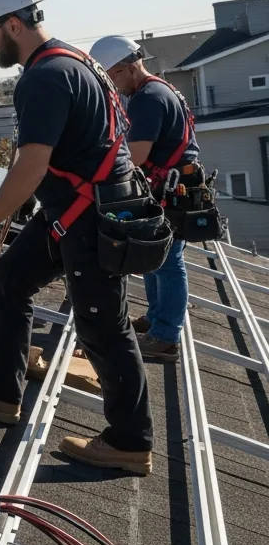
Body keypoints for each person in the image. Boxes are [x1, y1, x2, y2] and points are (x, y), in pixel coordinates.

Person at [0, 0, 154, 476]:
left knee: (103, 327)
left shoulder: (43, 78)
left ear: (13, 24)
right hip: (79, 210)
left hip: (90, 218)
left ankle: (130, 442)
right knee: (9, 280)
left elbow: (32, 164)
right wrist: (15, 212)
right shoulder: (75, 60)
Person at [90, 35, 199, 363]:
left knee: (167, 263)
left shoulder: (147, 98)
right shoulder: (157, 90)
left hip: (171, 190)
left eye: (111, 79)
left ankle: (166, 337)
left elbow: (136, 155)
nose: (113, 88)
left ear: (124, 69)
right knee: (155, 258)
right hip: (173, 186)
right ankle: (156, 320)